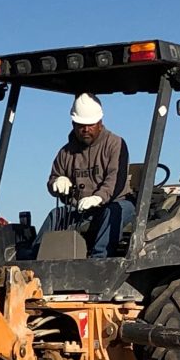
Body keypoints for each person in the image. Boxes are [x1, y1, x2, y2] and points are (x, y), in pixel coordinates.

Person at [45, 93, 132, 258]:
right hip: (81, 209)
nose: (86, 129)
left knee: (113, 212)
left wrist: (98, 198)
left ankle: (99, 260)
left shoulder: (115, 144)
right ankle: (37, 255)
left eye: (90, 125)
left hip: (115, 203)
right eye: (81, 125)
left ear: (100, 123)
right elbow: (54, 177)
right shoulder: (66, 152)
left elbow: (116, 180)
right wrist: (56, 182)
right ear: (73, 124)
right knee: (56, 214)